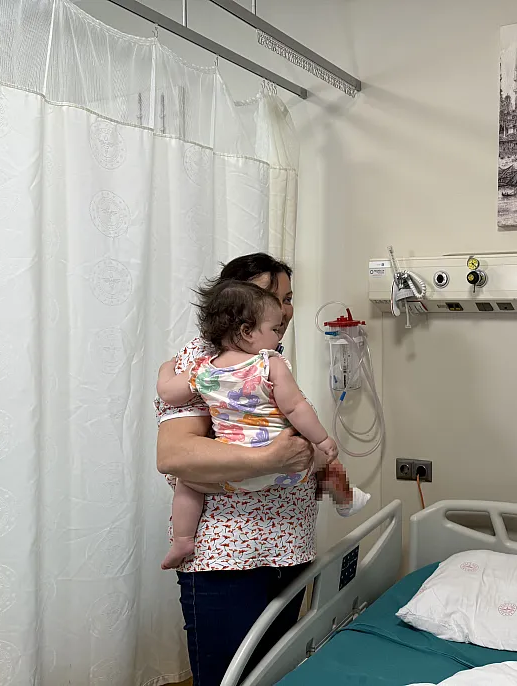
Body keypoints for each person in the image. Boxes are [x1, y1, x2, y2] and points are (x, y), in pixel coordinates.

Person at [154, 253, 362, 684]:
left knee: (271, 675)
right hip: (231, 557)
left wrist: (318, 466)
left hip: (288, 547)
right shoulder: (204, 362)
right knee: (228, 677)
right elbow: (174, 455)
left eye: (289, 299)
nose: (285, 311)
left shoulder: (266, 356)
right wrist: (270, 460)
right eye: (274, 298)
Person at [156, 279, 370, 570]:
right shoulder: (270, 363)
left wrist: (166, 369)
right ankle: (344, 496)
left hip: (234, 475)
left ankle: (183, 539)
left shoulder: (203, 370)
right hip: (287, 472)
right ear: (247, 332)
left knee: (187, 484)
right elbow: (296, 407)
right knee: (322, 457)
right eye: (274, 329)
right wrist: (322, 440)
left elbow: (168, 393)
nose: (279, 335)